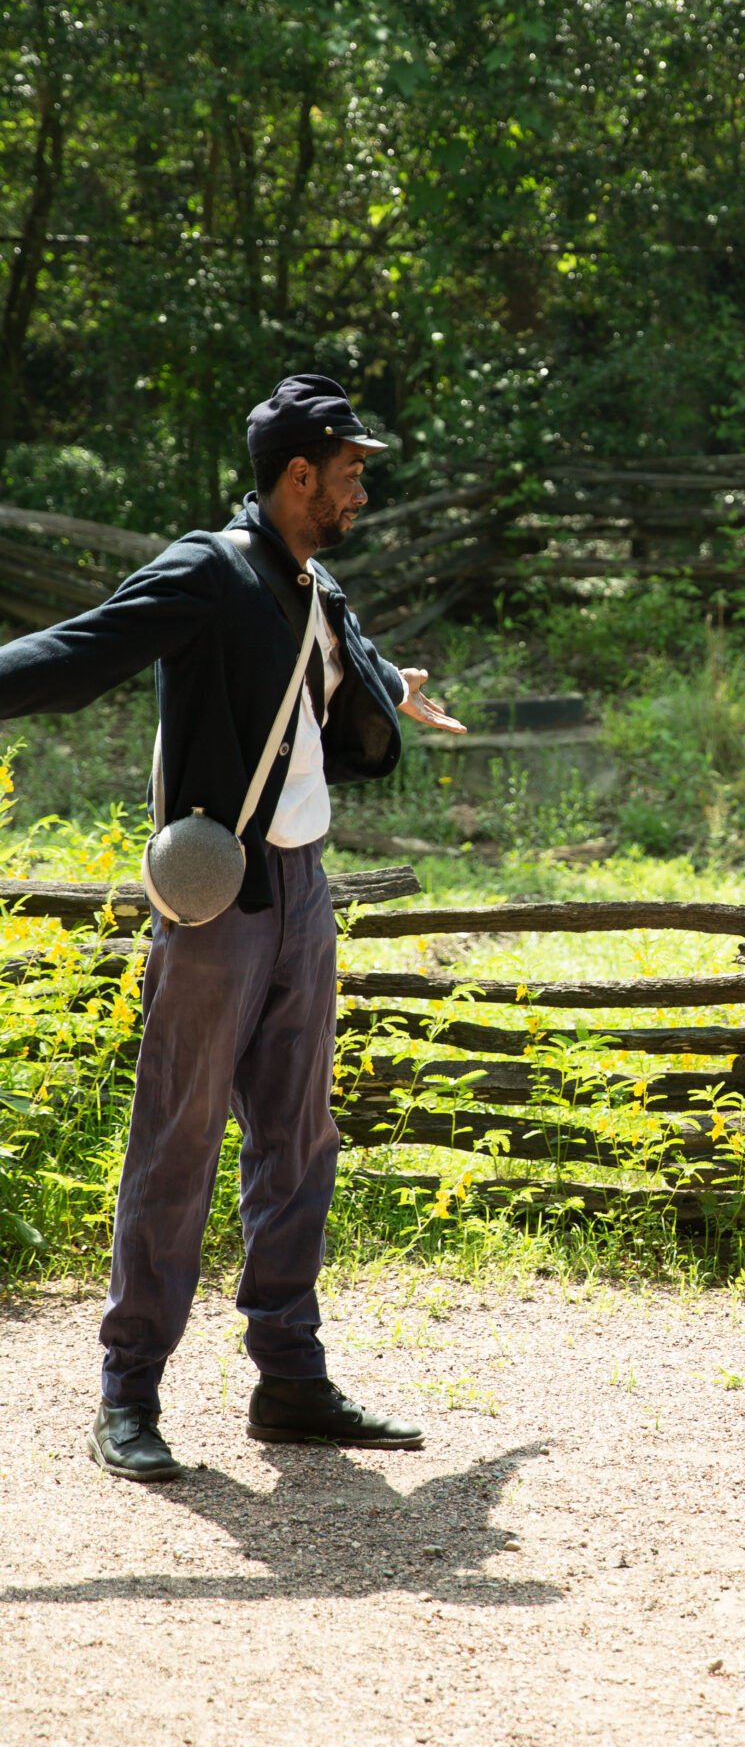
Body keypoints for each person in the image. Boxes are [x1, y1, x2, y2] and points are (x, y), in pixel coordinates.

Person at [0, 374, 465, 1482]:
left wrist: (394, 689)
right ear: (298, 472)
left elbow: (340, 651)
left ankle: (289, 1379)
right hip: (216, 909)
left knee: (299, 1143)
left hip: (303, 891)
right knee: (180, 1138)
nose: (362, 483)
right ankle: (129, 1391)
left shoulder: (315, 579)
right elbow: (78, 653)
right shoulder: (208, 569)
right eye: (349, 466)